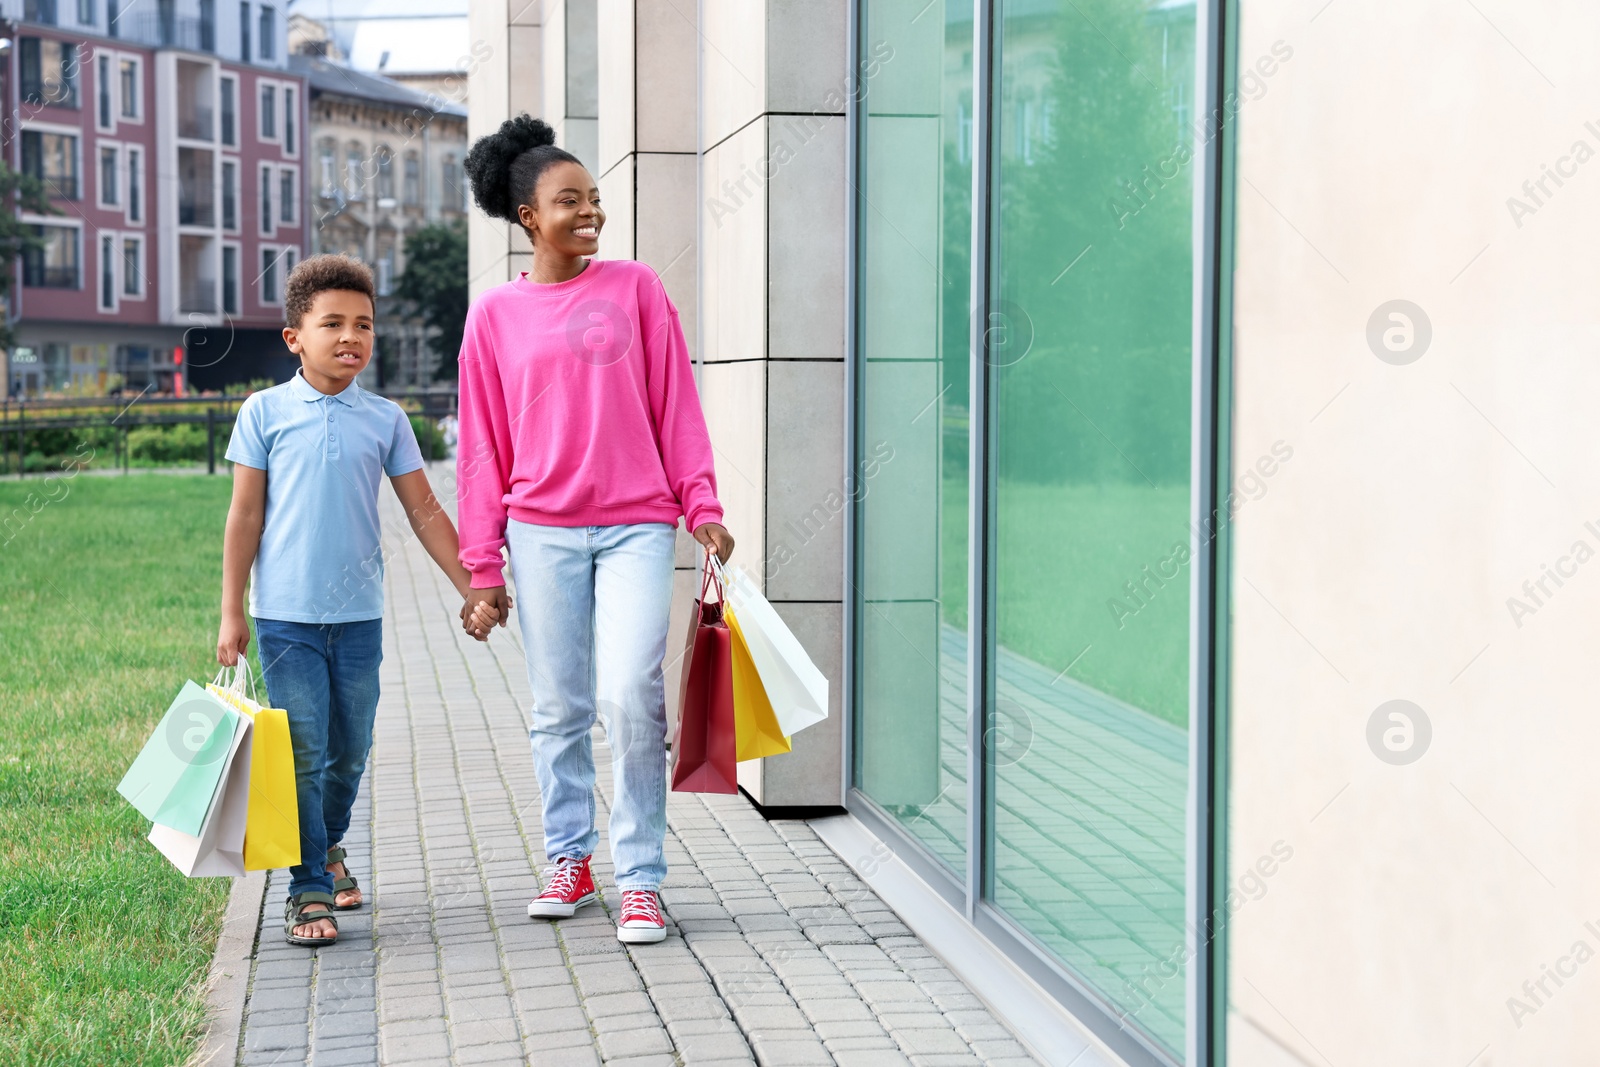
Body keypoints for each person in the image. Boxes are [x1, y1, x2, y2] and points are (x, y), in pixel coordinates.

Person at [457, 115, 734, 945]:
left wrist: (704, 505)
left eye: (596, 199)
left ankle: (641, 877)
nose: (590, 213)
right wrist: (483, 565)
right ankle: (569, 858)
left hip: (637, 525)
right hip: (539, 531)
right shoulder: (494, 316)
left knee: (629, 694)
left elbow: (674, 404)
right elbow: (481, 448)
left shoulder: (636, 289)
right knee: (558, 707)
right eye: (568, 201)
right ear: (526, 218)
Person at [216, 254, 497, 948]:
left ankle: (329, 842)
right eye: (333, 323)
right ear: (294, 337)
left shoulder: (385, 419)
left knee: (350, 750)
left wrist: (476, 587)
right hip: (284, 618)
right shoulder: (263, 412)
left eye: (363, 324)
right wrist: (230, 612)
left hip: (360, 618)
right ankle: (306, 884)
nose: (351, 336)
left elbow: (426, 511)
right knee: (303, 750)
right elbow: (244, 516)